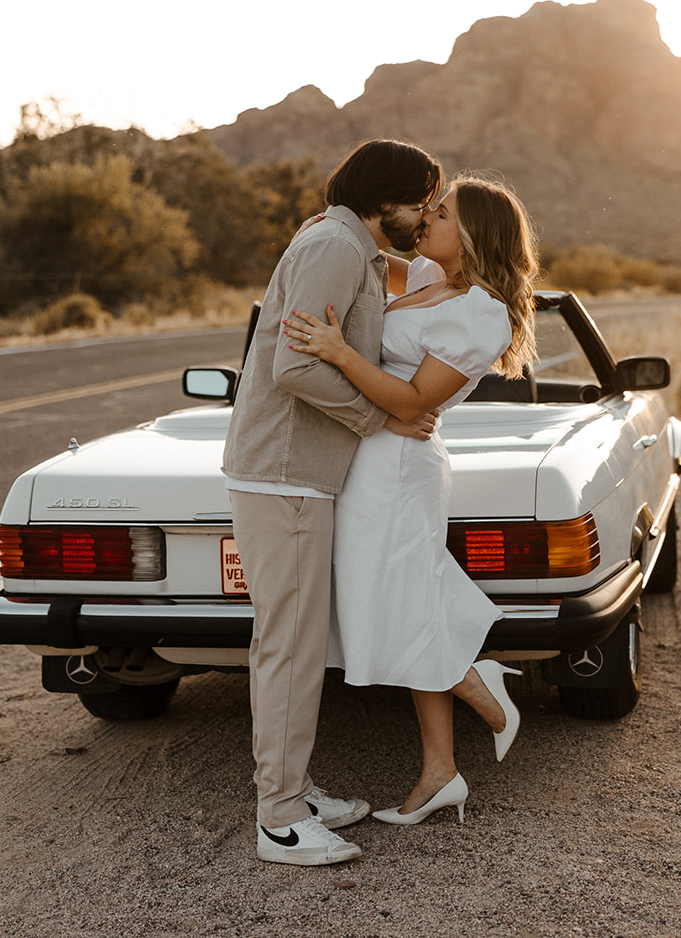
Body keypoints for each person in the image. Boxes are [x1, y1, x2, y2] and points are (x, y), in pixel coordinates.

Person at [281, 172, 540, 825]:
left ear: (474, 233)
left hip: (399, 465)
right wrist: (334, 226)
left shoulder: (479, 312)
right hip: (368, 456)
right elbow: (375, 269)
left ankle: (485, 699)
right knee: (411, 600)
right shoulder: (427, 272)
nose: (427, 218)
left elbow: (411, 401)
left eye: (442, 212)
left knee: (397, 604)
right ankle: (441, 769)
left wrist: (338, 352)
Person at [222, 138, 445, 866]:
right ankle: (281, 820)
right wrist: (379, 417)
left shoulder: (355, 249)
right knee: (288, 646)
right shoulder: (337, 248)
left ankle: (296, 789)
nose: (424, 214)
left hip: (301, 473)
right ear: (383, 198)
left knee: (300, 643)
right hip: (285, 471)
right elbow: (291, 366)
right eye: (419, 200)